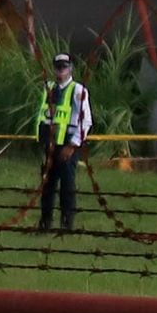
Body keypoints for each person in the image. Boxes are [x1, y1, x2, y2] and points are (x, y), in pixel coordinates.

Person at [33, 50, 93, 234]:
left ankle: (67, 225)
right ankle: (45, 223)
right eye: (57, 68)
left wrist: (72, 145)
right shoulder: (49, 88)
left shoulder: (77, 90)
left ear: (70, 69)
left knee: (67, 185)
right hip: (51, 143)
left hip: (68, 143)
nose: (60, 71)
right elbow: (45, 114)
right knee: (47, 185)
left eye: (64, 68)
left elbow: (86, 121)